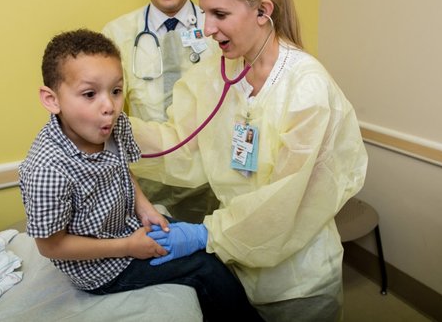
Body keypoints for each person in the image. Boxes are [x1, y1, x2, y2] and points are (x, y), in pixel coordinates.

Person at [129, 0, 368, 322]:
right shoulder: (216, 74)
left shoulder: (305, 88)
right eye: (205, 12)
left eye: (219, 13)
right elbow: (183, 146)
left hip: (296, 284)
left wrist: (207, 234)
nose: (207, 28)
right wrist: (116, 130)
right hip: (236, 267)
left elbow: (286, 201)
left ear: (263, 10)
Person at [18, 29, 261, 321]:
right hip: (101, 266)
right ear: (51, 99)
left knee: (210, 249)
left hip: (127, 227)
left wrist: (145, 209)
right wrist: (128, 246)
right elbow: (51, 246)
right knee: (206, 269)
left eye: (116, 91)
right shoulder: (47, 169)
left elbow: (122, 170)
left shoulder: (113, 125)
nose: (109, 106)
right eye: (89, 94)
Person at [102, 0, 220, 224]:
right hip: (149, 181)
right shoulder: (117, 34)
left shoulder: (219, 29)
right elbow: (106, 111)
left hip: (212, 178)